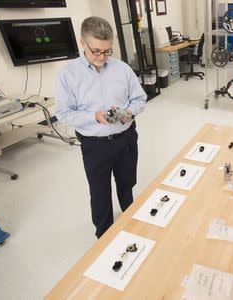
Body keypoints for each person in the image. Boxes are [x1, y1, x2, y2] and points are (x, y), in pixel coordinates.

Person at [55, 16, 147, 238]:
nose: (102, 57)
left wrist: (129, 112)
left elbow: (140, 98)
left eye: (107, 51)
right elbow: (63, 114)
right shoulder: (67, 75)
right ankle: (104, 235)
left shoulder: (122, 69)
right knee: (99, 194)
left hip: (125, 139)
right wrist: (94, 117)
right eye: (96, 51)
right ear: (82, 43)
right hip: (94, 145)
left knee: (127, 184)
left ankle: (131, 219)